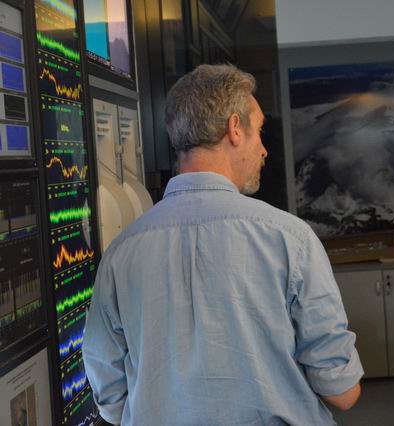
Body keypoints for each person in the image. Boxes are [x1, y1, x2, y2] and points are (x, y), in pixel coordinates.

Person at [83, 64, 363, 425]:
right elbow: (340, 391)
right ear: (234, 128)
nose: (264, 150)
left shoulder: (121, 252)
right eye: (259, 131)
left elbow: (108, 392)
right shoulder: (289, 239)